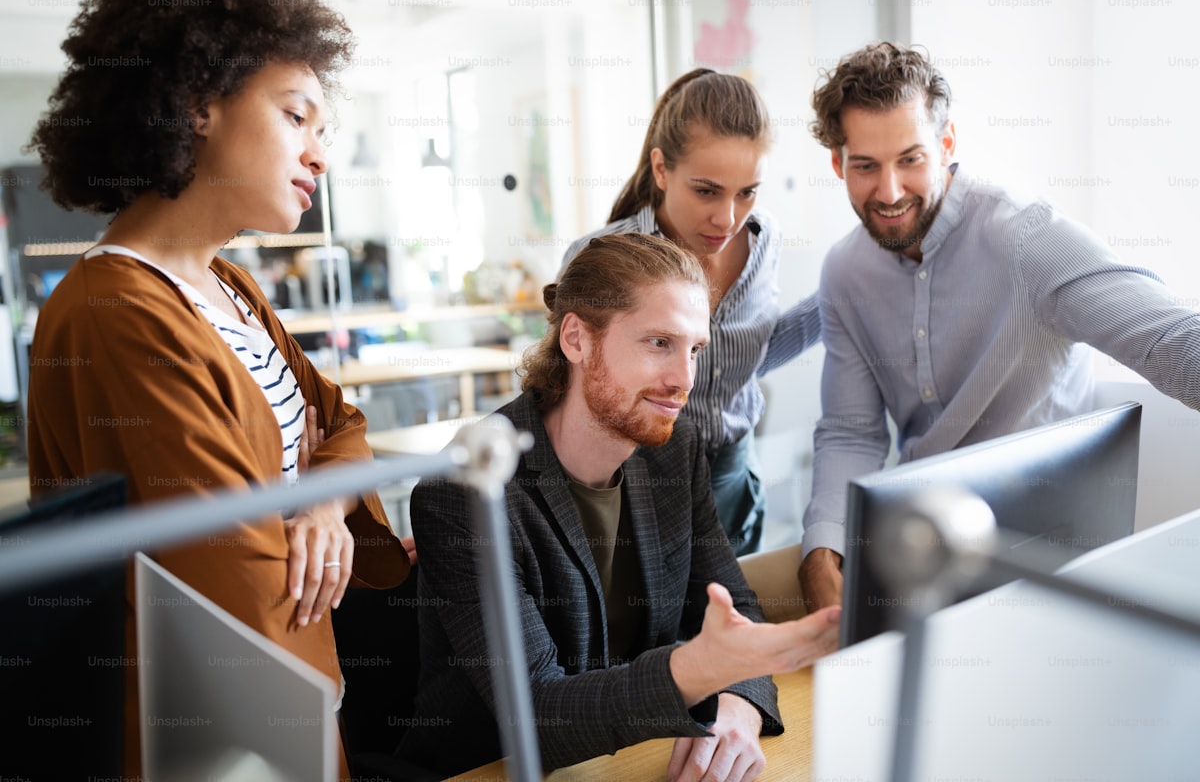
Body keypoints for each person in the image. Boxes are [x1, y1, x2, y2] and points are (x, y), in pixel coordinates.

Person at [24, 0, 410, 776]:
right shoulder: (115, 311)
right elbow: (232, 563)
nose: (318, 155)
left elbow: (341, 423)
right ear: (199, 102)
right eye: (295, 115)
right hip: (218, 732)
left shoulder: (229, 286)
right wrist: (301, 491)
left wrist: (326, 503)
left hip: (287, 701)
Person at [398, 233, 841, 779]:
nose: (684, 379)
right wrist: (692, 673)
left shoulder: (674, 455)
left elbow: (740, 612)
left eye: (694, 348)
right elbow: (536, 718)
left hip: (629, 758)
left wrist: (737, 706)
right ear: (577, 339)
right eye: (659, 343)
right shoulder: (467, 492)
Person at [798, 41, 1200, 611]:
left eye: (910, 159)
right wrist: (823, 547)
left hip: (1047, 560)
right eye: (866, 166)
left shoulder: (1027, 239)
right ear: (838, 163)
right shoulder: (844, 273)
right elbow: (850, 431)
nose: (888, 193)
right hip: (920, 558)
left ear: (947, 144)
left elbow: (1169, 339)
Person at [560, 69, 821, 556]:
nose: (727, 218)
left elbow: (745, 357)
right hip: (635, 487)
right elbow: (554, 391)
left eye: (747, 192)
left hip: (732, 480)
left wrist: (839, 296)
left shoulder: (764, 240)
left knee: (735, 619)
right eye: (707, 190)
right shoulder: (601, 254)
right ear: (661, 170)